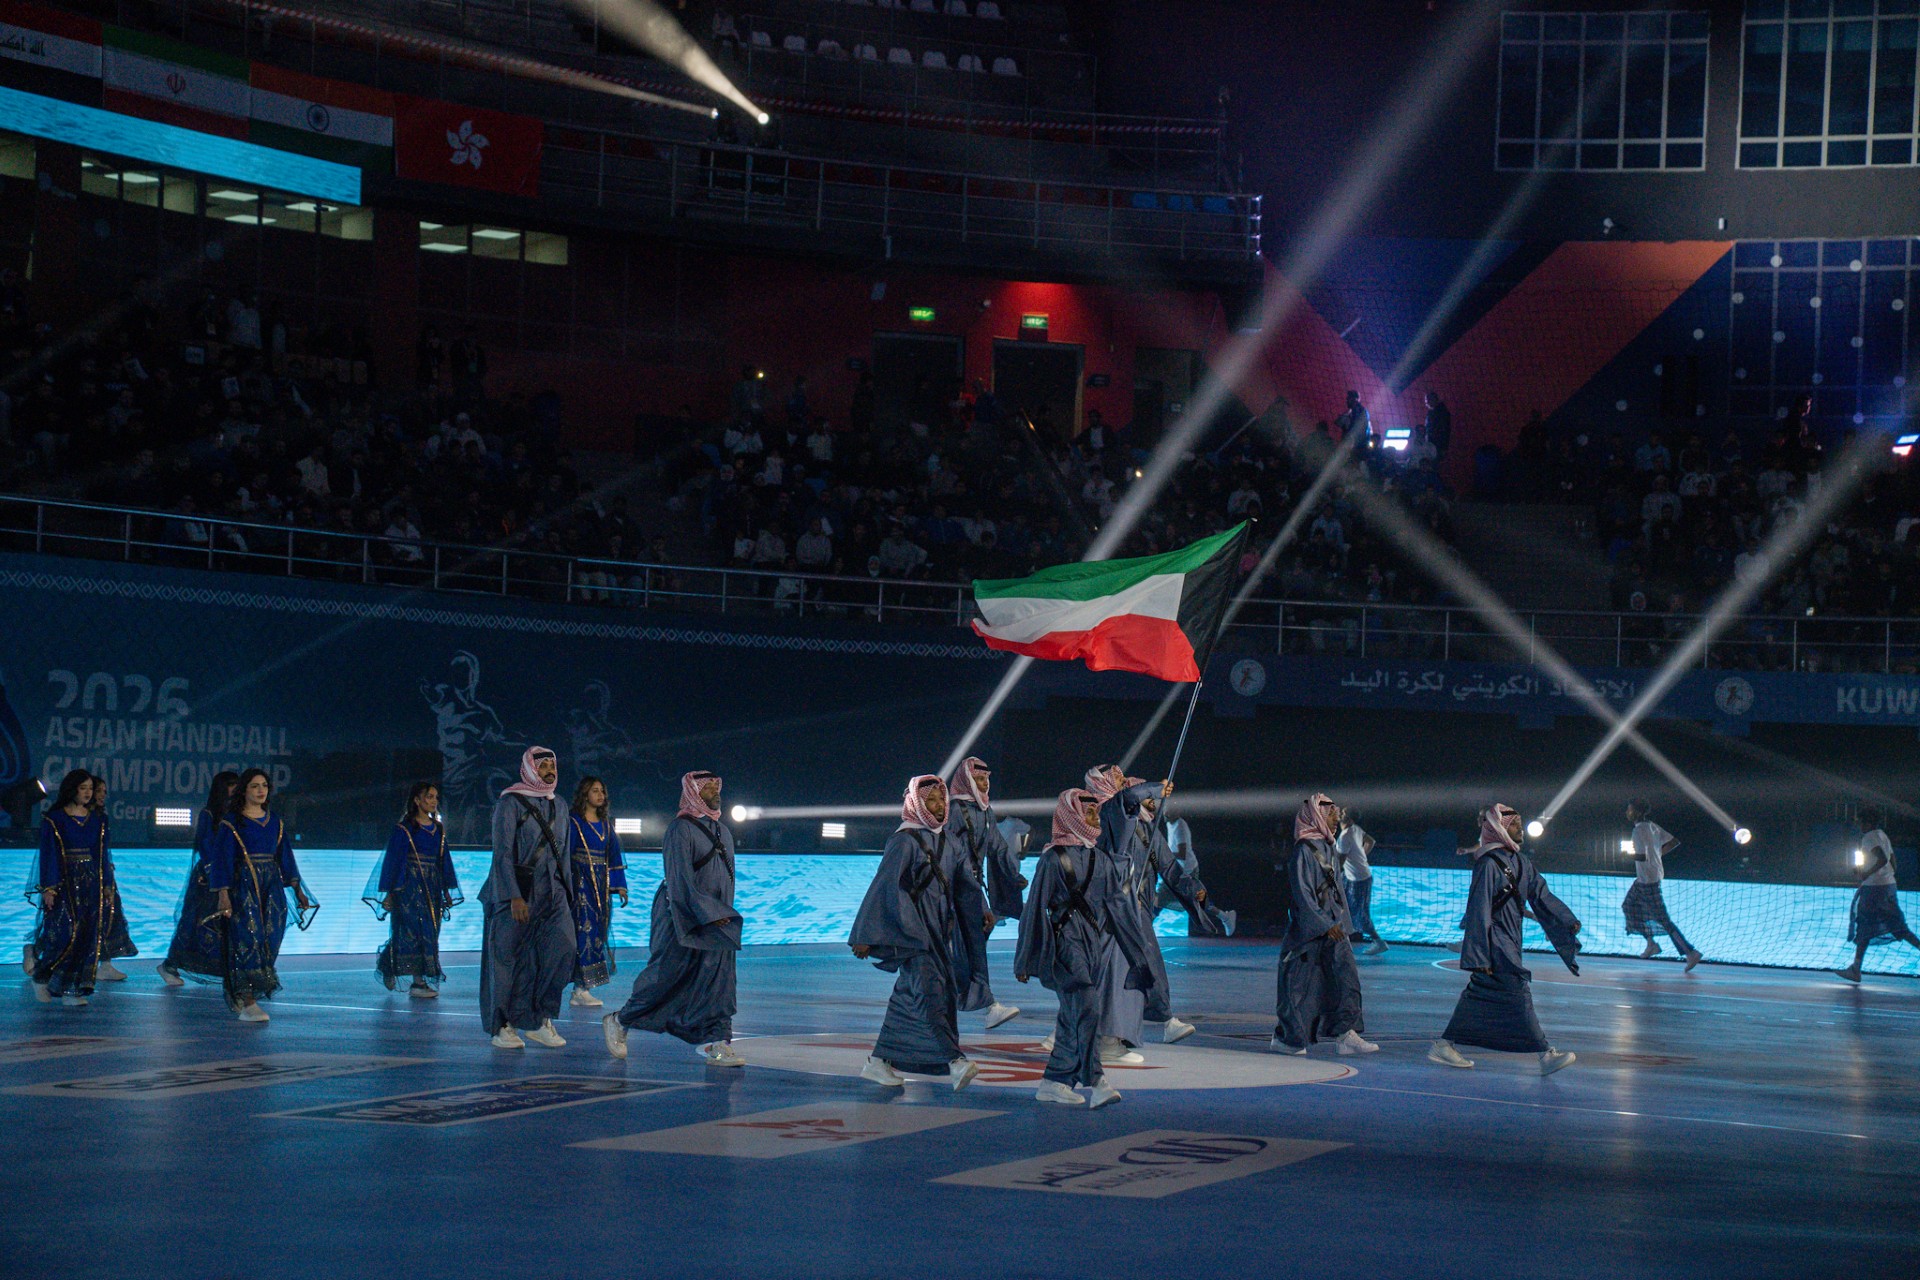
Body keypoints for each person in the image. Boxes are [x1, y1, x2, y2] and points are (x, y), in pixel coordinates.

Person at [1014, 789, 1153, 1109]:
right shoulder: (1052, 859)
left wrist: (1138, 958)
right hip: (1065, 948)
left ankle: (1053, 1082)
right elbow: (1034, 909)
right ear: (1071, 816)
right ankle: (1097, 1080)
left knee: (1073, 1015)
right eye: (1088, 814)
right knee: (1088, 1006)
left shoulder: (1100, 860)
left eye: (1095, 814)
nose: (1095, 820)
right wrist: (1026, 958)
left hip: (1093, 949)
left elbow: (1120, 911)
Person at [848, 775, 979, 1091]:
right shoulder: (904, 841)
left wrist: (982, 912)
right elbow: (884, 885)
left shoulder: (950, 841)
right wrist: (866, 934)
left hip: (938, 934)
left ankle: (879, 1062)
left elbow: (965, 885)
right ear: (916, 803)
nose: (937, 807)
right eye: (930, 801)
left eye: (940, 800)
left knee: (912, 995)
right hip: (911, 933)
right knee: (929, 994)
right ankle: (955, 1062)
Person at [604, 771, 744, 1066]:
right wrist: (707, 914)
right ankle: (621, 1020)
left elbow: (727, 881)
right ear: (692, 792)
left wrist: (722, 914)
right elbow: (679, 879)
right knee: (667, 975)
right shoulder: (680, 829)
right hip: (681, 916)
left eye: (715, 787)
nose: (713, 792)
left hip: (717, 919)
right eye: (706, 788)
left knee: (719, 981)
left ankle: (719, 1042)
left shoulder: (724, 831)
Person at [1430, 804, 1580, 1075]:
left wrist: (1566, 920)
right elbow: (1479, 909)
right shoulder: (1488, 864)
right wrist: (1479, 955)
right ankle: (1545, 1054)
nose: (1520, 828)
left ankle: (1444, 1045)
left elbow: (1542, 895)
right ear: (1499, 828)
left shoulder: (1522, 863)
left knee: (1480, 993)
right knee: (1517, 988)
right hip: (1495, 941)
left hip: (1511, 938)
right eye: (1514, 823)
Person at [1100, 776, 1214, 1050]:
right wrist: (1154, 787)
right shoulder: (1118, 821)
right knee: (1119, 970)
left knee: (1143, 966)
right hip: (1116, 908)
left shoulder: (1150, 832)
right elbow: (1125, 801)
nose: (1154, 801)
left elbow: (1171, 869)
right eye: (1149, 797)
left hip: (1137, 910)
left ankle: (1156, 1024)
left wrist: (1194, 888)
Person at [479, 747, 575, 1050]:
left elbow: (565, 854)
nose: (550, 769)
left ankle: (538, 1017)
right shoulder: (510, 803)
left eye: (552, 764)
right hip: (518, 889)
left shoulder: (560, 804)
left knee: (562, 948)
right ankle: (502, 1025)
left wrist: (568, 894)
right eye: (543, 764)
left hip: (554, 892)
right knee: (507, 960)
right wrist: (513, 897)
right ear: (530, 768)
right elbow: (503, 854)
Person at [1271, 794, 1376, 1056]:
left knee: (1346, 977)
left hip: (1335, 928)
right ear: (1315, 816)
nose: (1335, 817)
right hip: (1309, 932)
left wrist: (1344, 924)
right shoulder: (1303, 852)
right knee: (1300, 986)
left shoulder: (1328, 848)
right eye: (1330, 813)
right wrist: (1322, 924)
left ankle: (1345, 1033)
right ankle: (1287, 1038)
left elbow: (1338, 890)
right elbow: (1303, 894)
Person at [209, 768, 314, 1023]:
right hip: (243, 887)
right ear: (244, 789)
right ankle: (247, 999)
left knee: (270, 936)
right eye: (255, 785)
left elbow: (286, 857)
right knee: (247, 937)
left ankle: (252, 991)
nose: (261, 790)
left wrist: (298, 890)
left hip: (271, 889)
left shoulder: (275, 822)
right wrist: (223, 895)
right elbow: (222, 860)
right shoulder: (232, 822)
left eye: (264, 785)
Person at [945, 756, 1025, 1030]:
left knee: (970, 947)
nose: (984, 783)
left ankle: (965, 997)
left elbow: (998, 847)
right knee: (969, 946)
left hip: (972, 888)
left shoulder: (985, 811)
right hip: (957, 888)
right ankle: (988, 1004)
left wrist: (1014, 876)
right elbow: (954, 857)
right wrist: (977, 899)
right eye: (979, 779)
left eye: (986, 779)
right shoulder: (954, 811)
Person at [366, 782, 461, 998]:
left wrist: (447, 888)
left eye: (436, 797)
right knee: (410, 930)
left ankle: (394, 967)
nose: (434, 801)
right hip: (409, 887)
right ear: (417, 800)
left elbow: (443, 860)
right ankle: (417, 982)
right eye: (429, 796)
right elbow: (393, 861)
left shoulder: (438, 830)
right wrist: (390, 892)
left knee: (429, 931)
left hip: (432, 887)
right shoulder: (404, 829)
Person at [28, 771, 109, 1005]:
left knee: (86, 935)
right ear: (72, 789)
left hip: (90, 882)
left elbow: (102, 854)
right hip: (64, 882)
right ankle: (41, 976)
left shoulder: (97, 820)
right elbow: (49, 855)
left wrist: (106, 885)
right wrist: (49, 888)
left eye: (90, 788)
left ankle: (71, 989)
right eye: (83, 788)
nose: (88, 793)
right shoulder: (55, 819)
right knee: (65, 933)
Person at [159, 771, 240, 986]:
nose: (234, 792)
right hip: (209, 878)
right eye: (230, 788)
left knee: (230, 923)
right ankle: (170, 964)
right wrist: (216, 875)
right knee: (196, 923)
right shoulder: (209, 814)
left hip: (233, 876)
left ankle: (230, 968)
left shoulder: (240, 815)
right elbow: (206, 846)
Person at [1834, 811, 1920, 982]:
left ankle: (1856, 969)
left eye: (1860, 822)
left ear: (1866, 823)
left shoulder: (1869, 837)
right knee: (1899, 927)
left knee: (1864, 926)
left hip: (1874, 889)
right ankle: (1855, 968)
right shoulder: (1883, 835)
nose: (1858, 825)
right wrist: (1887, 877)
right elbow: (1893, 862)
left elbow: (1881, 859)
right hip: (1889, 886)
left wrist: (1866, 874)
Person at [566, 775, 628, 1009]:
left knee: (598, 933)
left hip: (600, 887)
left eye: (602, 790)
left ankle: (583, 987)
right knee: (583, 932)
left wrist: (620, 885)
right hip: (580, 884)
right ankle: (577, 986)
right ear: (584, 794)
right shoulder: (574, 822)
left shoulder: (606, 824)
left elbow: (613, 856)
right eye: (595, 791)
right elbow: (566, 855)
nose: (600, 795)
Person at [1624, 799, 1702, 971]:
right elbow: (1674, 841)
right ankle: (1651, 943)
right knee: (1628, 905)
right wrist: (1657, 855)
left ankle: (1691, 952)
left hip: (1648, 881)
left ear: (1636, 812)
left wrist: (1625, 855)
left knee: (1663, 920)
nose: (1627, 812)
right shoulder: (1652, 826)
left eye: (1629, 810)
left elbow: (1641, 856)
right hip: (1646, 878)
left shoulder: (1638, 831)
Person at [1162, 819, 1238, 938]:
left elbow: (1182, 854)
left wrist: (1163, 854)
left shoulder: (1180, 827)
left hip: (1187, 871)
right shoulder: (1169, 824)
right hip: (1176, 870)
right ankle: (1225, 917)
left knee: (1200, 903)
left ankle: (1225, 917)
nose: (1165, 812)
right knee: (1160, 900)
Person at [1336, 809, 1387, 955]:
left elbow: (1340, 860)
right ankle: (1338, 940)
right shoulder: (1355, 829)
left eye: (1344, 813)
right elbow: (1371, 841)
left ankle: (1379, 942)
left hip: (1358, 880)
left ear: (1350, 819)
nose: (1340, 813)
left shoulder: (1345, 836)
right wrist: (1361, 857)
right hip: (1352, 877)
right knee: (1341, 908)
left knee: (1360, 915)